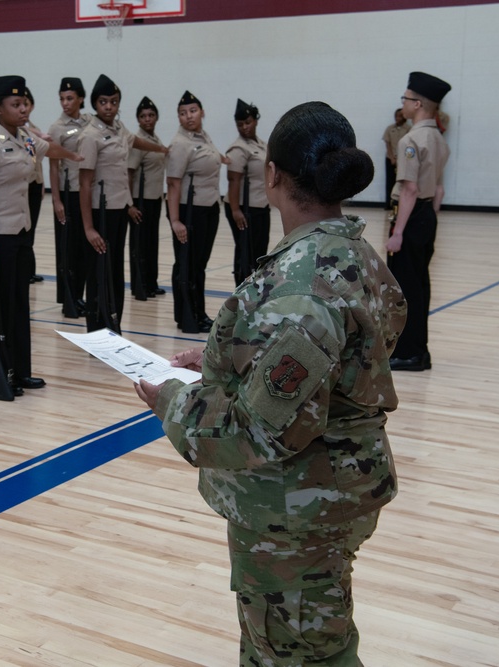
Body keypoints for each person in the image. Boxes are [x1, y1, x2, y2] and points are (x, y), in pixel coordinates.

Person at [135, 101, 407, 667]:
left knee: (297, 653)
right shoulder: (354, 253)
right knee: (302, 643)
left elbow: (257, 431)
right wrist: (225, 359)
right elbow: (344, 365)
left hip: (295, 509)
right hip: (331, 494)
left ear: (272, 176)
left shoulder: (299, 286)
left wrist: (172, 397)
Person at [0, 76, 82, 398]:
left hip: (21, 235)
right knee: (0, 307)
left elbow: (50, 148)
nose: (22, 110)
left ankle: (21, 370)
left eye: (24, 104)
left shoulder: (26, 140)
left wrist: (74, 156)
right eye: (15, 105)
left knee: (19, 306)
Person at [78, 74, 168, 332]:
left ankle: (113, 324)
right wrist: (88, 228)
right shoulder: (90, 135)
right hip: (99, 212)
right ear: (95, 104)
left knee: (115, 270)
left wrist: (161, 149)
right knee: (98, 273)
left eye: (114, 102)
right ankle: (97, 329)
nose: (109, 106)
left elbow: (135, 141)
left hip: (118, 211)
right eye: (103, 102)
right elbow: (84, 184)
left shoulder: (119, 129)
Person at [386, 71, 451, 372]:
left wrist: (398, 232)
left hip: (409, 216)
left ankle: (409, 353)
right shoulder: (437, 137)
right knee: (420, 283)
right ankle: (420, 351)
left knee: (405, 287)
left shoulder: (411, 140)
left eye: (406, 98)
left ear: (418, 104)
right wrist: (428, 219)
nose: (403, 103)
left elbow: (410, 188)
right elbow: (437, 189)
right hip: (426, 216)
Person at [166, 91, 225, 333]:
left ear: (202, 112)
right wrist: (175, 221)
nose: (188, 116)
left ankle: (198, 312)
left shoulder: (201, 137)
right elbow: (172, 183)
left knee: (198, 264)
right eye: (183, 113)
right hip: (189, 212)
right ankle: (187, 315)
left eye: (192, 111)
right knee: (186, 264)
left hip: (208, 208)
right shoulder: (180, 144)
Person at [48, 77, 92, 317]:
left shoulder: (90, 122)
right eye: (62, 99)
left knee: (84, 251)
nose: (65, 103)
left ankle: (79, 295)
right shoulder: (57, 128)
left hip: (86, 194)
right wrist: (56, 200)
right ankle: (69, 300)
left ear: (81, 99)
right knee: (68, 252)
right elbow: (53, 166)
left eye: (70, 98)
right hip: (68, 193)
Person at [224, 99, 271, 286]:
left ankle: (255, 288)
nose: (244, 127)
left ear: (256, 120)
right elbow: (233, 180)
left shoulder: (260, 144)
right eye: (240, 124)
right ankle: (241, 290)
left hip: (259, 205)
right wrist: (236, 211)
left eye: (248, 122)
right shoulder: (239, 148)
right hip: (244, 207)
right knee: (245, 252)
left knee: (259, 252)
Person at [128, 96, 167, 299]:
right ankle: (140, 286)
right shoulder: (139, 142)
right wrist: (129, 204)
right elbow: (129, 172)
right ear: (138, 119)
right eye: (143, 116)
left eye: (151, 115)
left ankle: (151, 283)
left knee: (151, 243)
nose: (147, 119)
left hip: (154, 199)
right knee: (140, 245)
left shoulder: (154, 140)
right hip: (140, 200)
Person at [23, 87, 45, 285]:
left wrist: (43, 183)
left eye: (27, 104)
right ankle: (25, 270)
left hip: (35, 185)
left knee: (32, 230)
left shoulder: (33, 128)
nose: (24, 108)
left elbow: (37, 160)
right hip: (24, 185)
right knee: (25, 229)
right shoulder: (24, 132)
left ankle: (30, 269)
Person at [381, 108, 410, 209]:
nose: (397, 118)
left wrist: (400, 159)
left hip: (403, 160)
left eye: (400, 116)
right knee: (390, 181)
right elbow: (387, 143)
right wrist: (392, 158)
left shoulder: (409, 129)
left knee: (401, 182)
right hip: (390, 158)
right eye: (396, 116)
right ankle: (389, 204)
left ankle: (400, 204)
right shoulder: (390, 128)